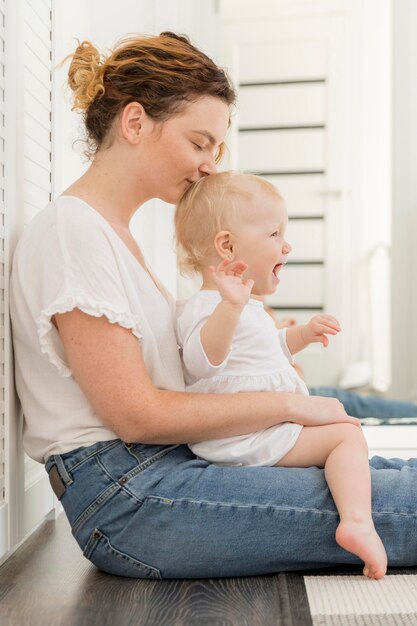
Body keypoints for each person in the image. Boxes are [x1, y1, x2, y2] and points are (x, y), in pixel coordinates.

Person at [9, 32, 417, 580]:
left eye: (214, 151)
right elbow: (136, 414)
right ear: (135, 123)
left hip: (162, 467)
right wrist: (289, 406)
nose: (208, 166)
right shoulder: (71, 231)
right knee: (402, 503)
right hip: (131, 496)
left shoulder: (115, 236)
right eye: (199, 143)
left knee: (381, 474)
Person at [175, 171, 387, 578]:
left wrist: (302, 335)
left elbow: (267, 350)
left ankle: (352, 499)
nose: (286, 245)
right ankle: (357, 521)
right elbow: (204, 361)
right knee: (345, 435)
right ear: (227, 245)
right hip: (243, 439)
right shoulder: (207, 308)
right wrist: (230, 308)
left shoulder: (242, 305)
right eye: (275, 234)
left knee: (345, 433)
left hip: (256, 432)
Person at [268, 314, 417, 420]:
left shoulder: (259, 312)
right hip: (289, 397)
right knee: (355, 404)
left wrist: (291, 336)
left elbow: (297, 372)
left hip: (294, 393)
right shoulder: (253, 316)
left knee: (355, 403)